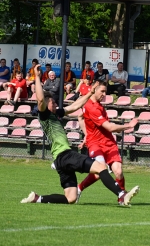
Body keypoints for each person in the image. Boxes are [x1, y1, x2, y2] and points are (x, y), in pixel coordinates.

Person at [20, 64, 139, 206]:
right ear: (46, 104)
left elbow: (75, 106)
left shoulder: (56, 114)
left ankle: (37, 198)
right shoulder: (44, 115)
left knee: (71, 198)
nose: (54, 104)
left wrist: (90, 93)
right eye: (52, 102)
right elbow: (40, 99)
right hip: (65, 155)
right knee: (101, 167)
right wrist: (38, 77)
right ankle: (121, 194)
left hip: (60, 161)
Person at [76, 81, 139, 203]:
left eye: (106, 91)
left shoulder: (97, 105)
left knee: (118, 171)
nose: (105, 94)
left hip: (108, 142)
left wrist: (86, 134)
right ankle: (79, 188)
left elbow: (80, 117)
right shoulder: (91, 107)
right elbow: (109, 127)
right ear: (94, 90)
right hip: (95, 143)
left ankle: (121, 198)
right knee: (100, 171)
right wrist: (129, 126)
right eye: (102, 91)